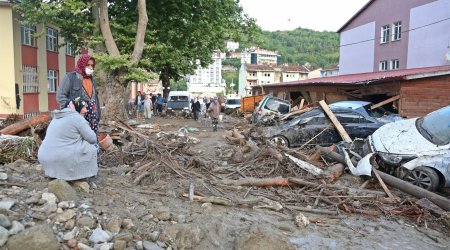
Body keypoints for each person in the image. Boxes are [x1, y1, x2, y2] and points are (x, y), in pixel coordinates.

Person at [38, 97, 98, 181]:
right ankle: (81, 176)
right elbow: (92, 139)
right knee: (93, 147)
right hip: (62, 158)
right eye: (83, 107)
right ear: (77, 108)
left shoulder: (56, 118)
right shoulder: (77, 118)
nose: (86, 110)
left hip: (45, 158)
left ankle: (55, 175)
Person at [57, 54, 100, 136]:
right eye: (88, 65)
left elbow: (95, 100)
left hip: (92, 118)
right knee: (78, 140)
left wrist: (97, 116)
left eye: (92, 65)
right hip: (76, 117)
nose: (90, 68)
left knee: (92, 139)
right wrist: (74, 107)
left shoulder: (92, 80)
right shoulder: (70, 77)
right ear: (82, 64)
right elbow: (60, 96)